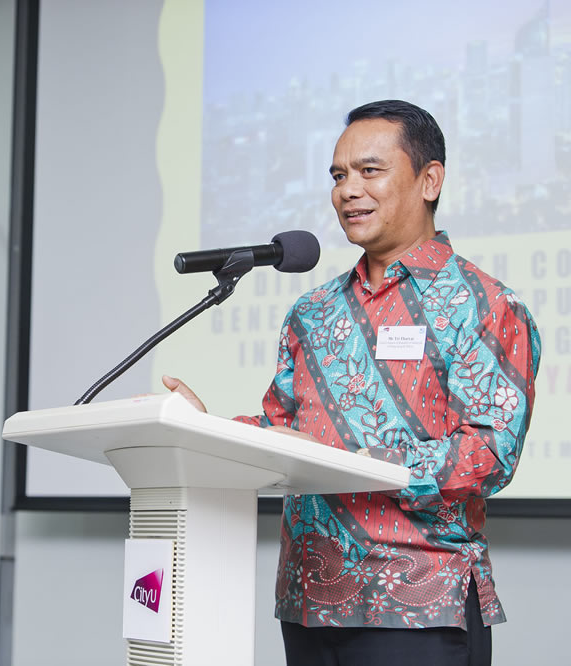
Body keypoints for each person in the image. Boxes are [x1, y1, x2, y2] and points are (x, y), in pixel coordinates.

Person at [163, 100, 541, 666]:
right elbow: (280, 430)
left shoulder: (484, 304)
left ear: (430, 181)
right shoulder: (312, 311)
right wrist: (204, 427)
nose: (348, 191)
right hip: (308, 600)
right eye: (338, 176)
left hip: (417, 606)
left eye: (370, 171)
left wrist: (355, 461)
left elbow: (488, 454)